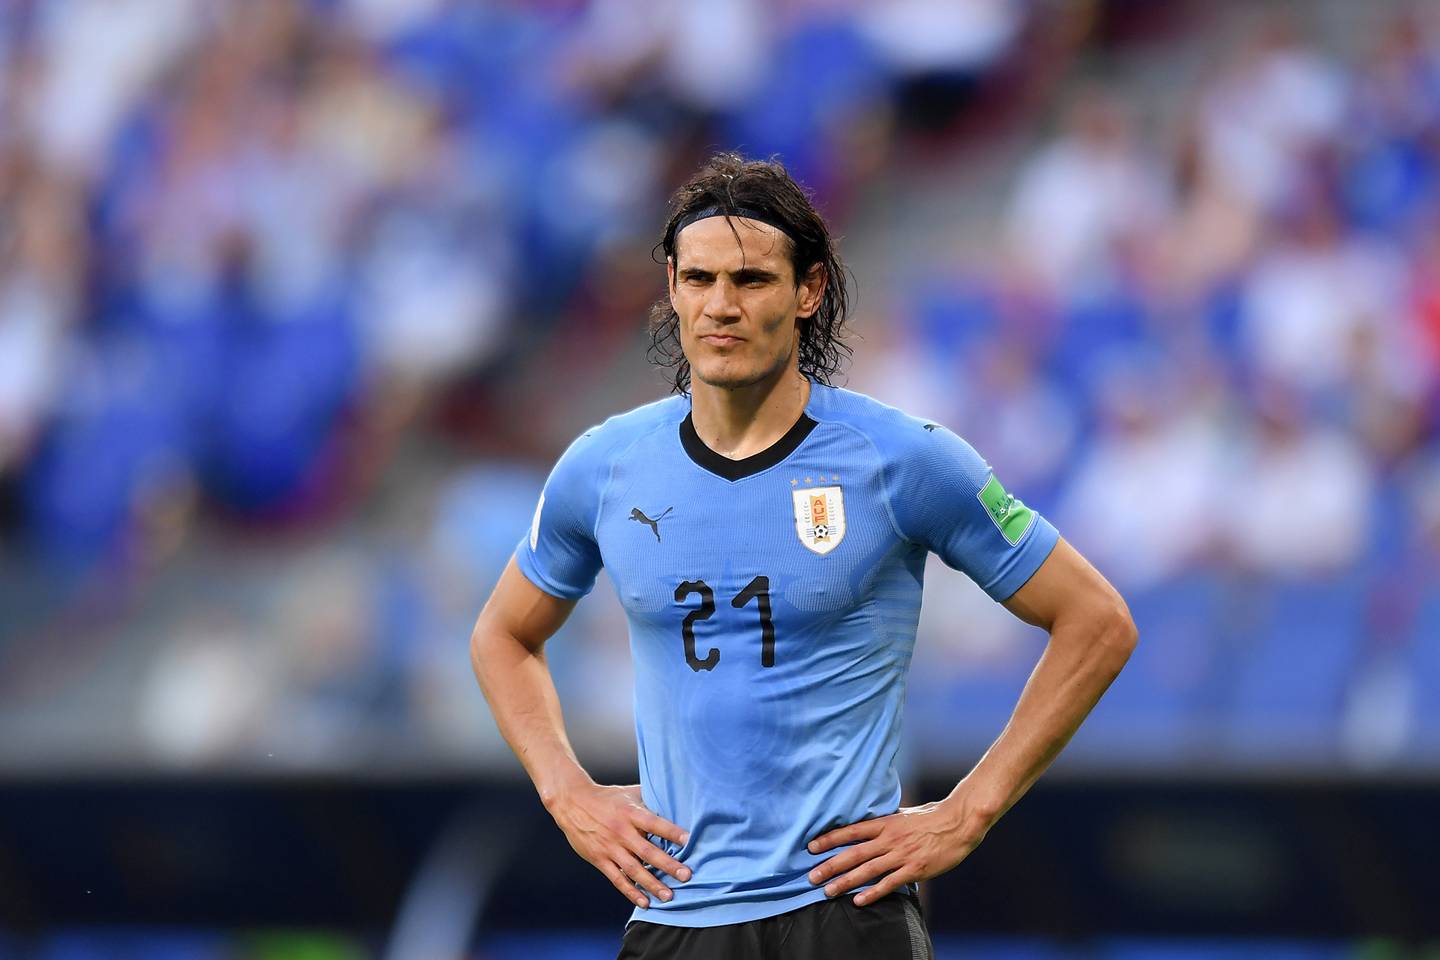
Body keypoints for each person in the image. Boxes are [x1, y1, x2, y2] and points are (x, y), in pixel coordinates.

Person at [470, 153, 1138, 959]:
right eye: (699, 280)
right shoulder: (604, 466)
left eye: (751, 281)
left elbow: (1096, 620)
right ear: (673, 291)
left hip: (844, 914)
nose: (721, 306)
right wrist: (567, 792)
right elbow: (503, 635)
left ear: (808, 292)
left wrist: (969, 810)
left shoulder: (902, 460)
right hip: (674, 917)